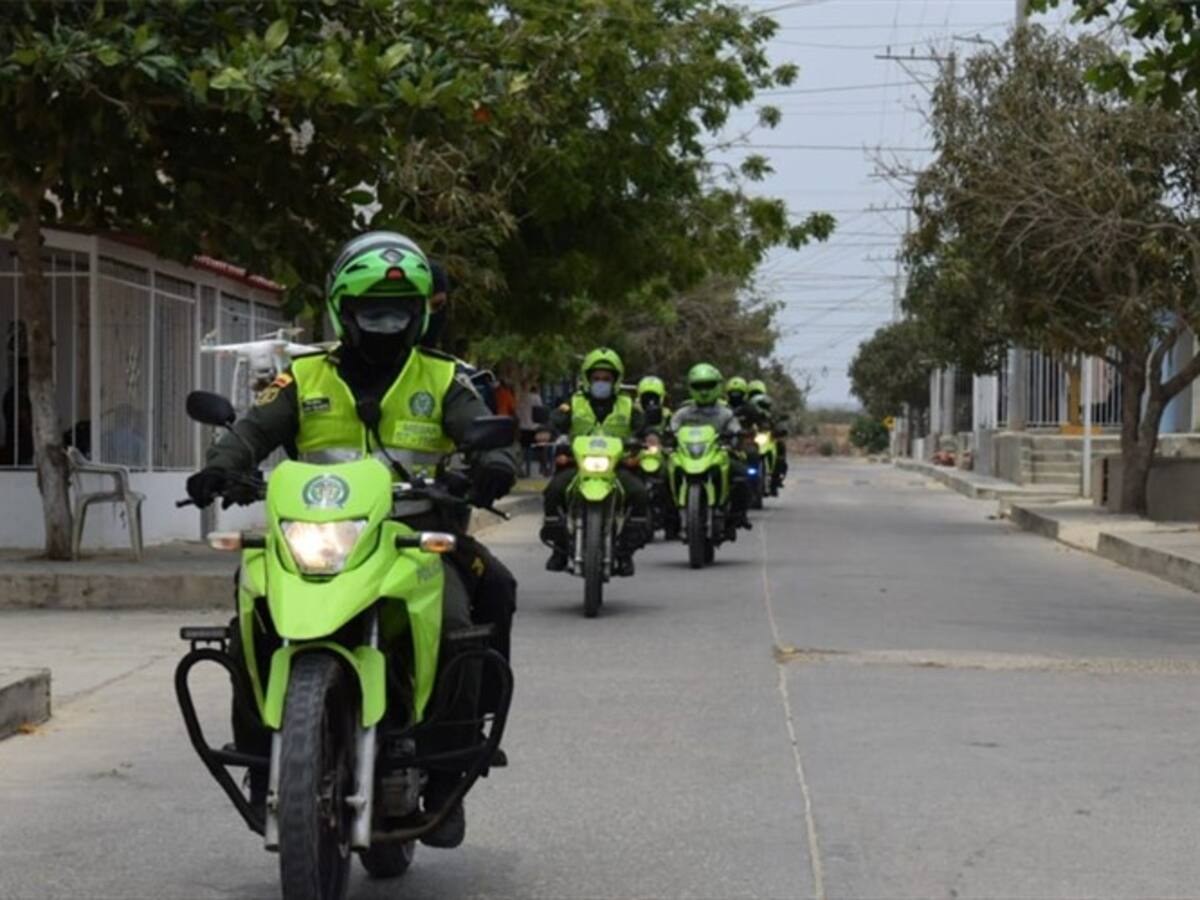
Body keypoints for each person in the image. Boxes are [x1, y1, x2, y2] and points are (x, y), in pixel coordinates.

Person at [186, 231, 519, 850]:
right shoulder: (302, 377)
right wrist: (221, 466)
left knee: (479, 600)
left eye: (398, 312)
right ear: (345, 310)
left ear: (420, 314)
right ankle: (263, 759)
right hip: (313, 537)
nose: (386, 324)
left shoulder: (446, 379)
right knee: (248, 610)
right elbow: (254, 429)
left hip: (418, 535)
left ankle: (449, 773)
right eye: (372, 311)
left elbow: (484, 430)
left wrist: (491, 461)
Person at [540, 347, 648, 576]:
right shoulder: (573, 402)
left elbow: (645, 428)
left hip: (616, 467)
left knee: (639, 493)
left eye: (607, 378)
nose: (601, 382)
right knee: (553, 491)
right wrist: (545, 432)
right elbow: (555, 422)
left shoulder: (628, 405)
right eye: (596, 378)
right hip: (578, 465)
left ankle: (626, 552)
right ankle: (559, 550)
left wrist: (650, 438)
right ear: (587, 379)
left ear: (616, 380)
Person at [670, 363, 752, 530]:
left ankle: (738, 514)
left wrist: (736, 437)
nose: (704, 391)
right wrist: (665, 436)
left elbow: (736, 430)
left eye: (709, 385)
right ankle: (670, 517)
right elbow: (672, 428)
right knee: (663, 476)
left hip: (718, 454)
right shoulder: (682, 413)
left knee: (744, 475)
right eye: (698, 386)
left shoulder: (726, 413)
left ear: (717, 386)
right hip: (688, 456)